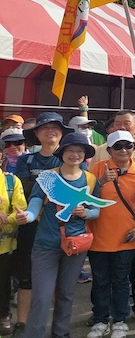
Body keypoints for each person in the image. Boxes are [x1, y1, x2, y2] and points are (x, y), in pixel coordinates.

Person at [16, 132, 100, 338]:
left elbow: (96, 210)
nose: (75, 155)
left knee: (66, 294)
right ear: (62, 153)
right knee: (42, 297)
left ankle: (61, 333)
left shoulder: (90, 178)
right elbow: (35, 203)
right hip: (46, 244)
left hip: (75, 245)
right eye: (70, 150)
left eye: (80, 151)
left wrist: (85, 212)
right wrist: (28, 215)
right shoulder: (48, 177)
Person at [12, 112, 73, 334]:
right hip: (30, 227)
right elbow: (25, 190)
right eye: (45, 127)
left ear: (62, 133)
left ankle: (58, 328)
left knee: (61, 283)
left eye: (56, 127)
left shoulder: (68, 157)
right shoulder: (26, 159)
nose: (51, 131)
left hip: (61, 227)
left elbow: (72, 192)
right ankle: (22, 323)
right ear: (36, 133)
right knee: (26, 276)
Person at [87, 131, 135, 338]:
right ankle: (100, 319)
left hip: (127, 236)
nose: (124, 150)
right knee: (101, 280)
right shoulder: (97, 168)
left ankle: (120, 319)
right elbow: (85, 198)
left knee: (122, 280)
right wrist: (101, 181)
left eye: (128, 146)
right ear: (109, 150)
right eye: (118, 146)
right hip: (99, 236)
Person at [0, 149, 25, 335]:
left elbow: (20, 212)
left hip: (5, 246)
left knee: (3, 283)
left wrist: (6, 218)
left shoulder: (11, 182)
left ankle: (4, 315)